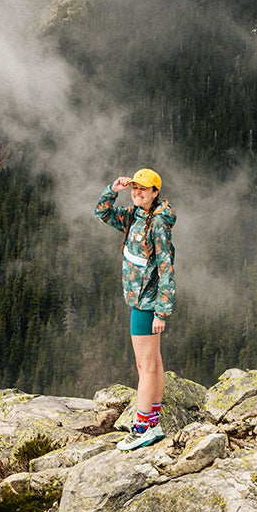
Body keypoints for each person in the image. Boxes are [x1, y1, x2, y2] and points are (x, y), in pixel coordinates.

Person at [95, 167, 176, 451]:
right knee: (153, 363)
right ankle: (153, 421)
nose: (138, 192)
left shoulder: (157, 225)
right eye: (135, 188)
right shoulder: (135, 216)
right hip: (140, 300)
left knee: (146, 366)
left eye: (144, 189)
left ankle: (142, 427)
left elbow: (166, 269)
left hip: (146, 302)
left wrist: (161, 312)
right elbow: (102, 212)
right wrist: (112, 189)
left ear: (156, 192)